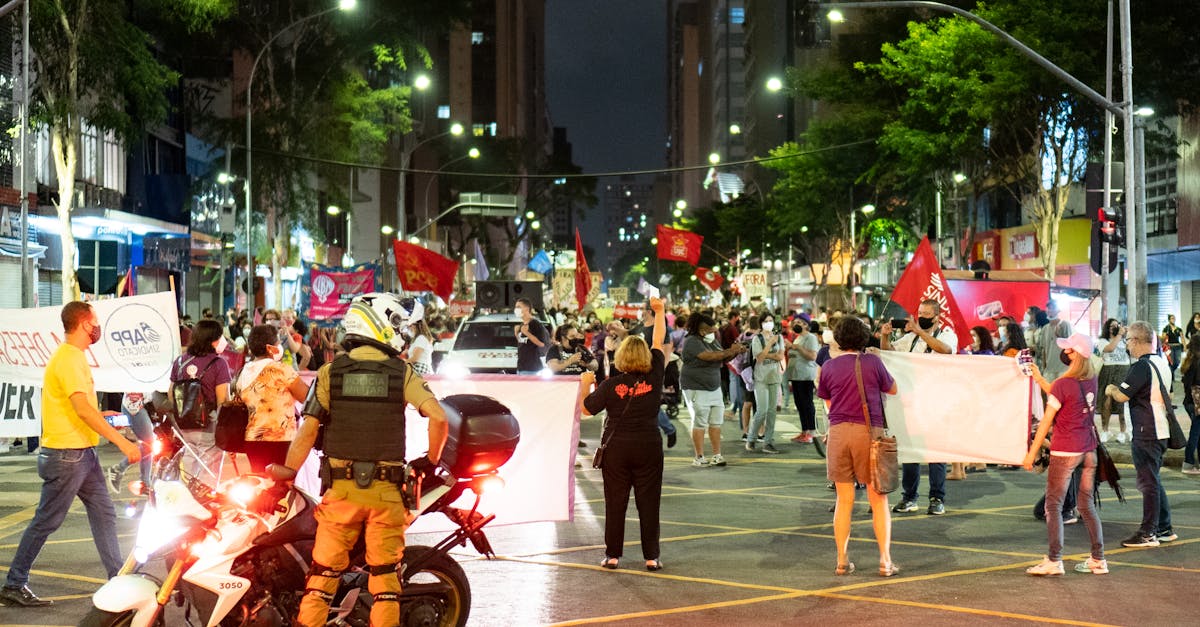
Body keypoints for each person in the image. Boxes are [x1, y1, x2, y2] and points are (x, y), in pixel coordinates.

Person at [282, 293, 449, 627]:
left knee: (321, 579)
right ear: (383, 325)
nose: (403, 331)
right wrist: (431, 461)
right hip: (386, 496)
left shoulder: (330, 373)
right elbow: (439, 418)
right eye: (399, 324)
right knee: (386, 583)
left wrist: (285, 477)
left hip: (341, 495)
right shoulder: (401, 373)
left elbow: (307, 431)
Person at [1, 302, 142, 607]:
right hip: (67, 455)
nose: (98, 327)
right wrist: (123, 442)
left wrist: (99, 414)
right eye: (95, 322)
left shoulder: (72, 357)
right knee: (46, 521)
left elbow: (80, 408)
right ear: (83, 324)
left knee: (104, 514)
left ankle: (117, 577)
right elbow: (81, 409)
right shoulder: (69, 359)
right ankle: (14, 582)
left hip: (81, 453)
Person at [580, 297, 667, 571]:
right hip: (648, 446)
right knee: (648, 503)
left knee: (615, 503)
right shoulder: (654, 376)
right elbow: (658, 340)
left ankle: (613, 555)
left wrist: (585, 384)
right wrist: (660, 311)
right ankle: (651, 556)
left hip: (617, 449)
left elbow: (586, 410)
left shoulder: (610, 385)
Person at [816, 317, 899, 577]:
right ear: (864, 339)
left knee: (844, 500)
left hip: (838, 433)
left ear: (839, 339)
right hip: (868, 432)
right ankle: (885, 561)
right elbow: (893, 389)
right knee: (878, 498)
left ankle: (842, 560)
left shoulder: (829, 366)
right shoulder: (873, 362)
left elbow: (827, 400)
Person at [1022, 334, 1107, 576]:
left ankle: (1054, 559)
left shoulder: (1063, 383)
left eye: (1068, 350)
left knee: (1053, 505)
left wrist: (1031, 454)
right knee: (1086, 505)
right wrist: (1040, 379)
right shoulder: (1091, 378)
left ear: (1075, 354)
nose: (1064, 353)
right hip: (1088, 450)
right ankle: (1098, 559)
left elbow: (1048, 419)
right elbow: (1065, 397)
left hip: (1065, 450)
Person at [880, 299, 957, 516]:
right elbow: (890, 355)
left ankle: (936, 498)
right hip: (911, 401)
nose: (920, 316)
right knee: (910, 450)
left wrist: (918, 331)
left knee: (935, 452)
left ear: (936, 317)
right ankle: (909, 497)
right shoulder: (910, 338)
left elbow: (945, 350)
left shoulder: (947, 334)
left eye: (925, 313)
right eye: (919, 311)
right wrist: (885, 336)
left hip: (937, 401)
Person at [1104, 321, 1176, 548]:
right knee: (1153, 479)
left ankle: (1148, 533)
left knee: (1148, 483)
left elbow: (1122, 395)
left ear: (1135, 341)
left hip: (1147, 430)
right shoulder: (1162, 363)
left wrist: (1110, 389)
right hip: (1160, 429)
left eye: (1128, 342)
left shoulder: (1141, 367)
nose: (1127, 347)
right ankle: (1164, 528)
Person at [236, 325, 311, 472]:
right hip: (281, 439)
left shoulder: (243, 371)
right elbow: (306, 397)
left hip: (252, 439)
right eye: (277, 342)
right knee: (280, 489)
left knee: (260, 487)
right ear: (270, 347)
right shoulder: (280, 369)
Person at [169, 319, 232, 484]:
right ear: (213, 340)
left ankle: (186, 498)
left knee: (190, 458)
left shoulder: (180, 361)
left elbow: (171, 394)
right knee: (208, 471)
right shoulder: (219, 363)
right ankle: (203, 504)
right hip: (208, 423)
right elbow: (223, 400)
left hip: (184, 422)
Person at [680, 312, 746, 467]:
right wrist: (730, 350)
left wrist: (735, 351)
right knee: (700, 421)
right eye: (711, 331)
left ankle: (717, 455)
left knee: (716, 421)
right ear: (702, 330)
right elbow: (710, 356)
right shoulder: (691, 341)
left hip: (714, 387)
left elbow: (721, 357)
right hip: (696, 387)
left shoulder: (713, 341)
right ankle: (699, 456)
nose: (714, 333)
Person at [746, 312, 787, 454]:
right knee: (761, 411)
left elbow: (780, 356)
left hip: (774, 378)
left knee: (772, 412)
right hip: (761, 378)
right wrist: (769, 344)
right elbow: (759, 358)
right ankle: (751, 438)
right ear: (761, 323)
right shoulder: (757, 339)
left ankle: (768, 442)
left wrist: (770, 354)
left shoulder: (780, 337)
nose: (769, 323)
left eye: (771, 321)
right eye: (766, 321)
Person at [104, 389, 155, 493]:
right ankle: (119, 468)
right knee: (148, 445)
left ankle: (145, 482)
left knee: (148, 445)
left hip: (142, 403)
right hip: (135, 404)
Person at [1096, 319, 1131, 443]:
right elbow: (1110, 348)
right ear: (1107, 328)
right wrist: (1119, 335)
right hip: (1108, 371)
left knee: (1123, 402)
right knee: (1106, 402)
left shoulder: (1123, 339)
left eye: (1117, 325)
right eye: (1111, 326)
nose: (1114, 328)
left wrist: (1128, 335)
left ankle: (1123, 432)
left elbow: (1132, 351)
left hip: (1124, 371)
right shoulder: (1102, 341)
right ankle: (1105, 431)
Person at [788, 318, 820, 443]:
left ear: (806, 325)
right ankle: (804, 430)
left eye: (799, 323)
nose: (796, 325)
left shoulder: (810, 337)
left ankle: (811, 432)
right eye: (795, 323)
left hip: (806, 376)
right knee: (799, 404)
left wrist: (796, 347)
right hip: (796, 375)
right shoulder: (798, 337)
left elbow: (812, 356)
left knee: (807, 403)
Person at [1035, 300, 1072, 382]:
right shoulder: (1045, 328)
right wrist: (1044, 367)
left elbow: (1070, 345)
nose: (1050, 310)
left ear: (1058, 310)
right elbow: (1044, 350)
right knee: (1050, 393)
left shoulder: (1065, 324)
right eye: (1048, 308)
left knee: (1063, 393)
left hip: (1063, 368)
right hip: (1049, 369)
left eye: (1053, 308)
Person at [1180, 334, 1200, 475]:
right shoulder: (1198, 362)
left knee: (1197, 433)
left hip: (1189, 402)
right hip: (1196, 404)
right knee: (1195, 434)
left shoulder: (1189, 360)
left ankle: (1192, 464)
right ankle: (1188, 463)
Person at [513, 297, 548, 375]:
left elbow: (541, 344)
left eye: (518, 307)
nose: (516, 309)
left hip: (532, 368)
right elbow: (522, 342)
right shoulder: (522, 324)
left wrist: (527, 333)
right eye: (515, 307)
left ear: (526, 308)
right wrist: (516, 333)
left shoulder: (535, 324)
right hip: (521, 366)